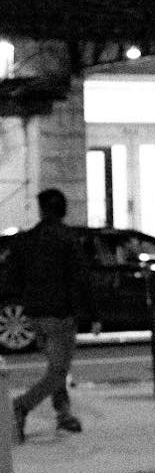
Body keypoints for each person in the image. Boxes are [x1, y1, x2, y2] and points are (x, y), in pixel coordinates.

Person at [8, 188, 93, 443]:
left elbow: (13, 276)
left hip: (35, 313)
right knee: (58, 371)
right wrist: (93, 312)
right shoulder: (67, 238)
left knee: (54, 366)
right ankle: (21, 406)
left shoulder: (26, 240)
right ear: (62, 209)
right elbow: (80, 278)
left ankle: (63, 413)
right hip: (60, 314)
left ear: (42, 209)